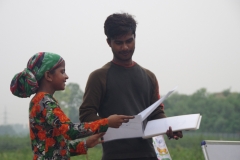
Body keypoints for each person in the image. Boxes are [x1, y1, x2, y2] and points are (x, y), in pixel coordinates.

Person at [79, 13, 183, 160]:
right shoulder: (99, 77)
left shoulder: (149, 76)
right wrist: (107, 123)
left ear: (135, 37)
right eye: (119, 43)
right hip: (114, 156)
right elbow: (86, 114)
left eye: (129, 41)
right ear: (109, 42)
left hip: (148, 155)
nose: (125, 47)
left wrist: (168, 127)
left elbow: (156, 113)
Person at [10, 52, 134, 160]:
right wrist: (107, 122)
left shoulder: (40, 101)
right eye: (62, 71)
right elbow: (70, 131)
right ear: (48, 76)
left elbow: (53, 150)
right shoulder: (45, 101)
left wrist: (85, 144)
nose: (66, 76)